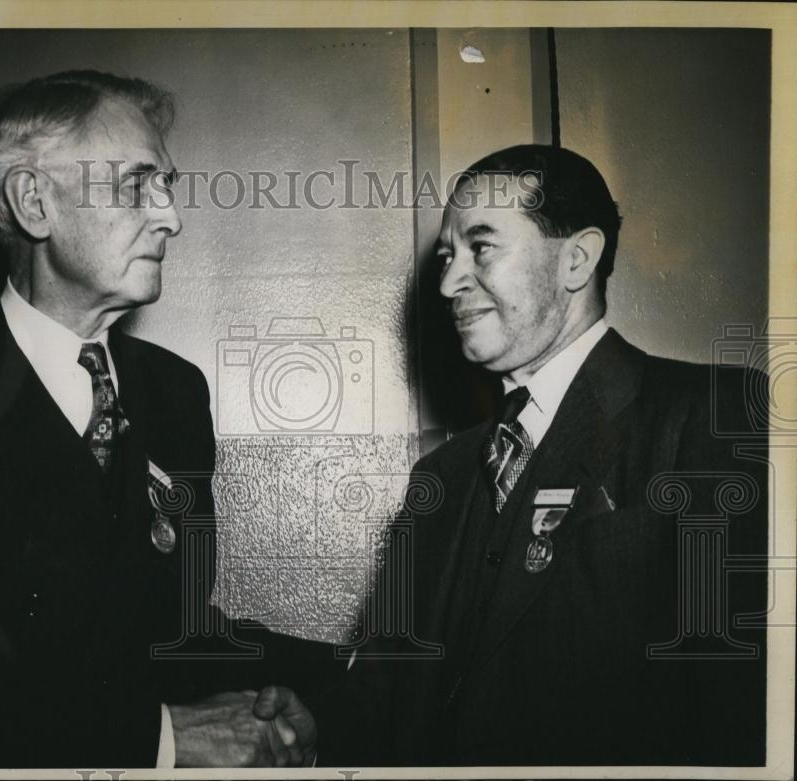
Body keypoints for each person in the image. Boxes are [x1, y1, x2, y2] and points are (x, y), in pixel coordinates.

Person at [0, 70, 319, 769]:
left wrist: (322, 683)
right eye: (135, 185)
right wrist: (159, 741)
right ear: (34, 202)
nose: (171, 217)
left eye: (167, 186)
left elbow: (170, 631)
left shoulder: (175, 393)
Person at [316, 144, 767, 766]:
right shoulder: (440, 477)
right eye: (448, 256)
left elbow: (745, 708)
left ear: (576, 259)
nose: (448, 283)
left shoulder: (712, 418)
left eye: (482, 247)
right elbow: (389, 694)